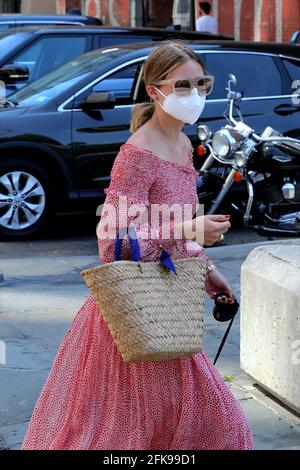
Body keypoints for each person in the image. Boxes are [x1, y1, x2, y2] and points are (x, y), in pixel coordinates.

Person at [22, 42, 254, 450]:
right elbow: (113, 241)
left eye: (202, 83)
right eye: (182, 84)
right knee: (127, 430)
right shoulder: (136, 154)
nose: (195, 93)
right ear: (154, 91)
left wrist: (204, 267)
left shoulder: (184, 145)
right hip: (133, 314)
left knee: (202, 422)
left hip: (170, 306)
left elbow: (168, 221)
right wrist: (188, 228)